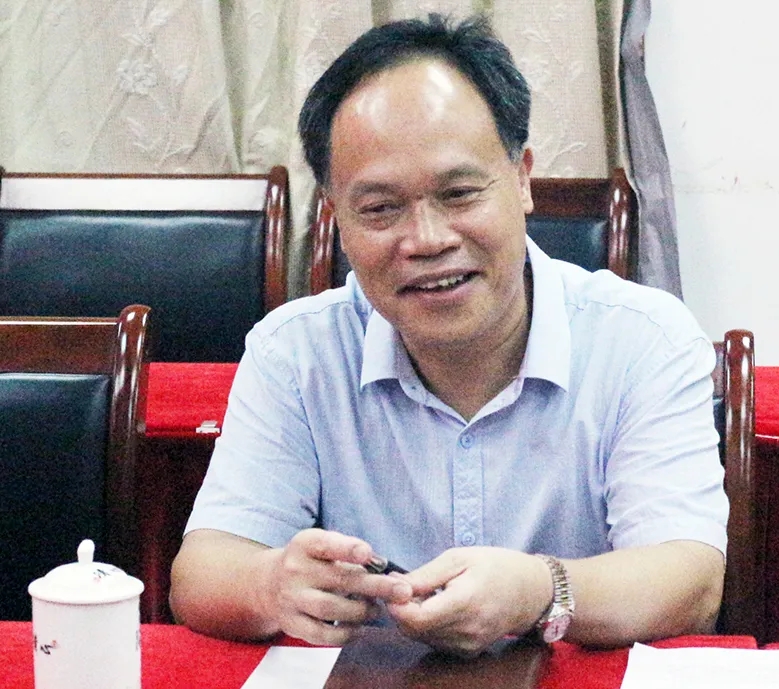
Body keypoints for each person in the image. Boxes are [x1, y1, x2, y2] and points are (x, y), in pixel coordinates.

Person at [170, 14, 727, 655]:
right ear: (334, 215)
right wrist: (272, 584)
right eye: (380, 209)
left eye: (459, 193)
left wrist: (539, 591)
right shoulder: (295, 353)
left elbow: (690, 579)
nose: (428, 240)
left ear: (522, 178)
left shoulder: (643, 339)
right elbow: (203, 571)